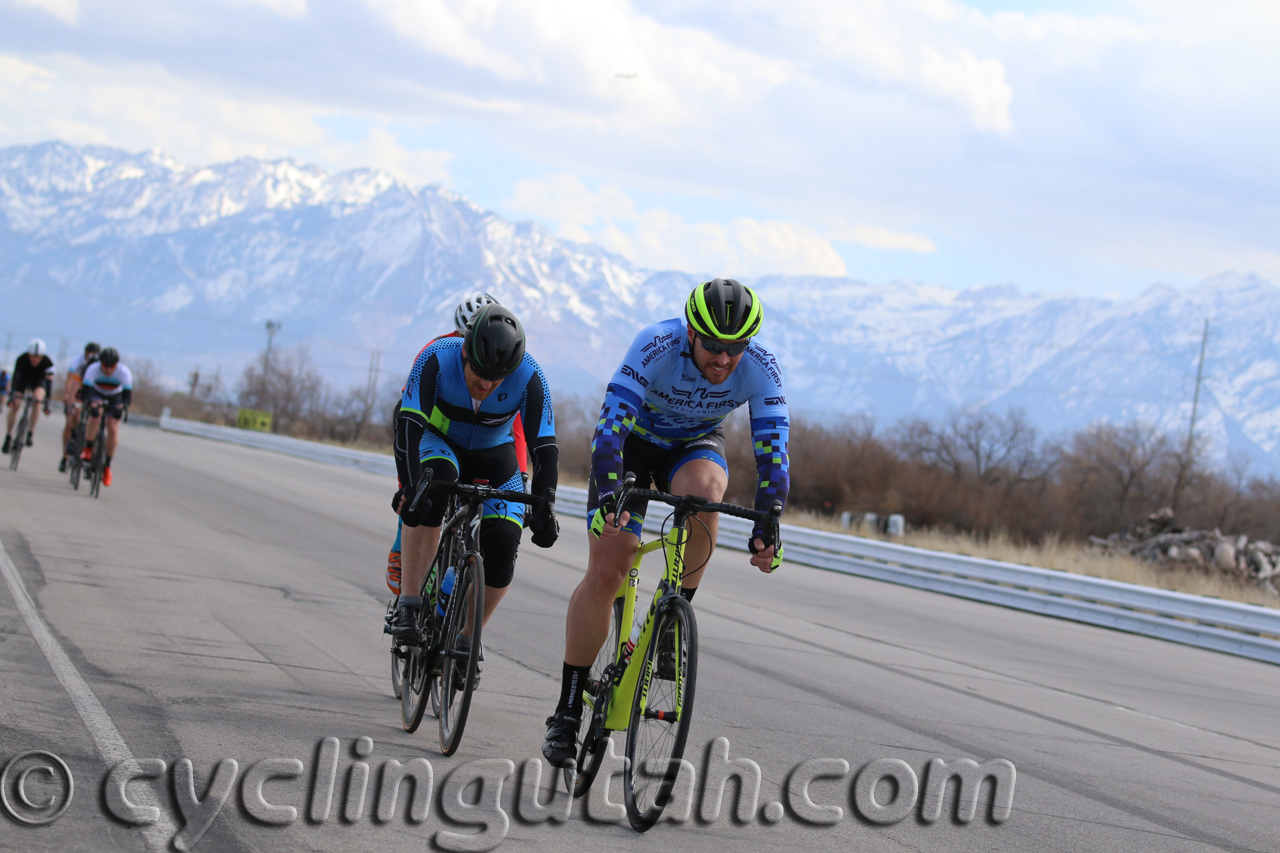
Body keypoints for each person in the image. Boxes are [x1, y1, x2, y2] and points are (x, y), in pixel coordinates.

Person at [541, 278, 790, 766]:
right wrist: (610, 493)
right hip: (631, 445)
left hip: (691, 446)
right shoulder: (655, 343)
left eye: (734, 349)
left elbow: (774, 454)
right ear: (692, 334)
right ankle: (568, 709)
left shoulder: (762, 368)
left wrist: (770, 521)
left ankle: (672, 614)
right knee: (609, 568)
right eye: (713, 347)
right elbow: (609, 428)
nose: (722, 360)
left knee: (706, 495)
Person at [387, 304, 560, 683]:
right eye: (480, 374)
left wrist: (546, 506)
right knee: (430, 494)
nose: (486, 385)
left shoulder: (531, 376)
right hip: (438, 440)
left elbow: (545, 448)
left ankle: (468, 637)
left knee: (503, 541)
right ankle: (411, 602)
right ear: (465, 351)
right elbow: (408, 424)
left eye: (498, 379)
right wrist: (410, 487)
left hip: (494, 453)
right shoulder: (436, 356)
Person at [384, 292, 530, 596]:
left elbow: (516, 429)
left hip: (483, 443)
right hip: (436, 429)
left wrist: (523, 476)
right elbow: (410, 410)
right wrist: (409, 488)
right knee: (427, 487)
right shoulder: (438, 351)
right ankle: (404, 535)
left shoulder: (506, 369)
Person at [77, 348, 132, 486]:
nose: (108, 369)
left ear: (116, 365)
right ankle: (88, 447)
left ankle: (107, 466)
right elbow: (85, 393)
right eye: (105, 366)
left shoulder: (124, 372)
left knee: (113, 427)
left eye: (111, 366)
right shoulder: (93, 369)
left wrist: (121, 408)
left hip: (115, 395)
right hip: (97, 392)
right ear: (100, 364)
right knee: (95, 415)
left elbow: (127, 398)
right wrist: (91, 405)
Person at [3, 339, 55, 454]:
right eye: (32, 356)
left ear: (42, 356)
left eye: (37, 357)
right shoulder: (21, 359)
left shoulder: (48, 362)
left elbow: (49, 384)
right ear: (28, 354)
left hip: (38, 382)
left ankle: (31, 431)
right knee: (15, 404)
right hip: (23, 381)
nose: (34, 359)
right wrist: (13, 396)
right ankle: (8, 435)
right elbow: (15, 380)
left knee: (37, 399)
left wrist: (47, 402)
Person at [59, 342, 101, 472]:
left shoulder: (102, 368)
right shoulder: (80, 364)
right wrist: (70, 400)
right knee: (74, 414)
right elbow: (72, 383)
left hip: (95, 392)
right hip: (81, 389)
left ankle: (93, 454)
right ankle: (67, 452)